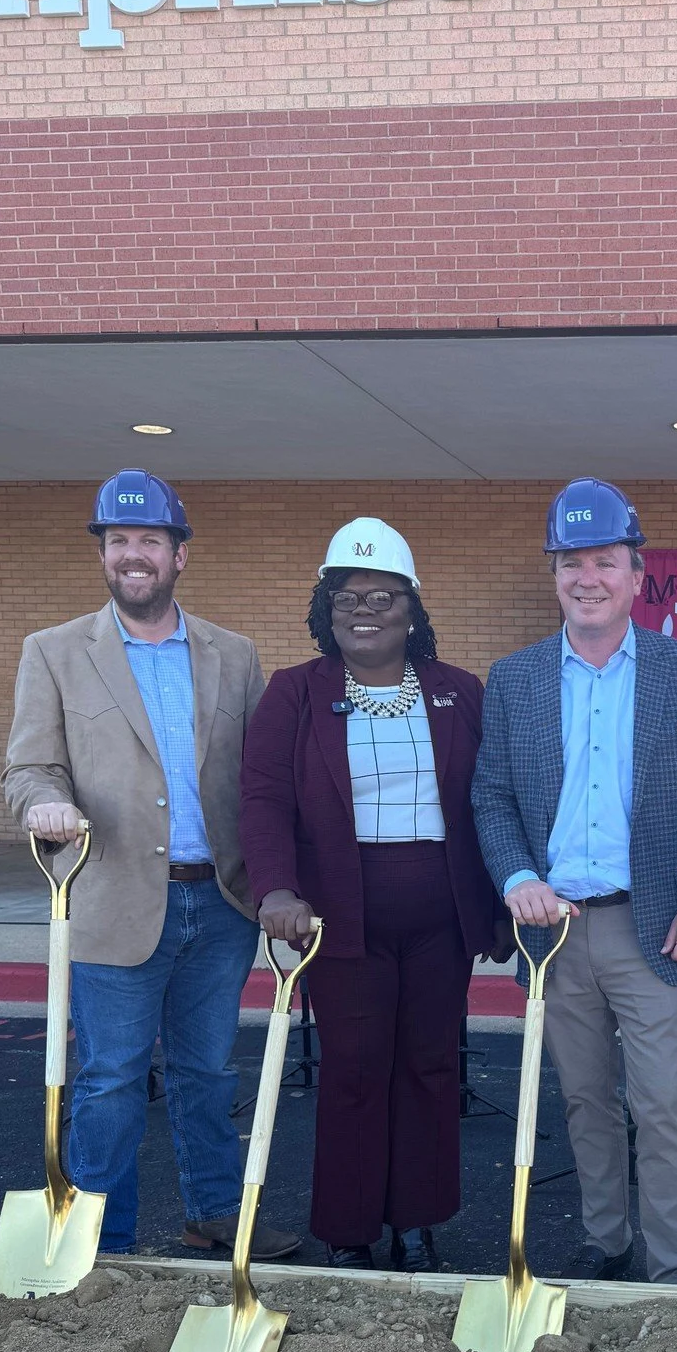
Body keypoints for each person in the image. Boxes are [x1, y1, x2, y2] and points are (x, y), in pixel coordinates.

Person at [2, 470, 299, 1260]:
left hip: (219, 907)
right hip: (113, 900)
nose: (133, 555)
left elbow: (263, 780)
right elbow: (29, 767)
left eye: (150, 542)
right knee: (109, 1084)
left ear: (180, 555)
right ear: (104, 554)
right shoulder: (55, 652)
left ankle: (214, 1216)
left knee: (207, 1077)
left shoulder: (234, 656)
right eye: (118, 542)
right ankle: (102, 1240)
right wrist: (42, 805)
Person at [471, 477, 677, 1286]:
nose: (588, 578)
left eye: (605, 561)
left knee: (662, 1102)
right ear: (555, 574)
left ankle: (672, 1265)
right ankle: (606, 1238)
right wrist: (516, 874)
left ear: (636, 572)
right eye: (572, 562)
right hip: (553, 932)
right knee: (584, 1099)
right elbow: (492, 795)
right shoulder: (514, 679)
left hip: (649, 923)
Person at [238, 517, 510, 1271]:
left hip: (440, 918)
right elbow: (262, 799)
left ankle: (417, 1224)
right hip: (338, 920)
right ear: (326, 610)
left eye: (384, 597)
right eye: (347, 596)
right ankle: (351, 1230)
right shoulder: (295, 693)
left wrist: (494, 907)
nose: (365, 609)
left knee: (430, 1068)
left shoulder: (460, 691)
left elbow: (490, 801)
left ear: (412, 610)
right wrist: (276, 889)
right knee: (355, 1070)